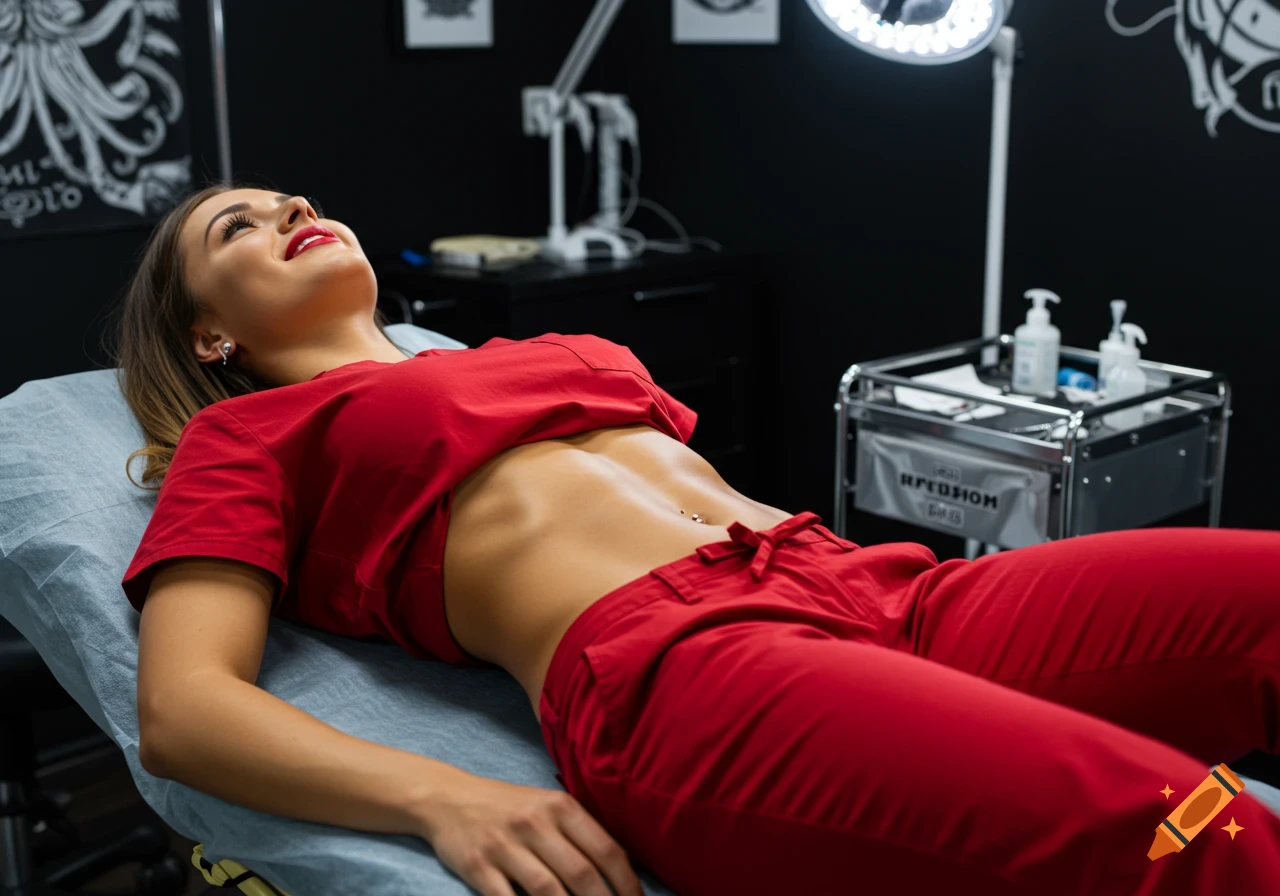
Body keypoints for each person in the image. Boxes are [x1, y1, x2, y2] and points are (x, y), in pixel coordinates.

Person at [113, 184, 1280, 896]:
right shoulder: (247, 436)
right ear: (209, 331)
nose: (293, 214)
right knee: (1192, 827)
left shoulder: (520, 352)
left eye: (297, 201)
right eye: (243, 226)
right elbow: (183, 708)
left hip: (881, 591)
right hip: (692, 666)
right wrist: (445, 798)